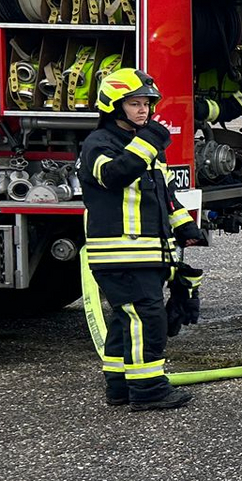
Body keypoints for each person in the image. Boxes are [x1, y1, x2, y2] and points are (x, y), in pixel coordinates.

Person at [78, 68, 205, 411]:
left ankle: (120, 386)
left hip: (145, 252)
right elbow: (113, 175)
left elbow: (165, 197)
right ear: (113, 105)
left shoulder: (146, 147)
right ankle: (148, 389)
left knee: (126, 320)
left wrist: (185, 227)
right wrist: (148, 142)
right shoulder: (98, 144)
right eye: (134, 103)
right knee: (147, 319)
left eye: (147, 104)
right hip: (119, 253)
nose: (143, 110)